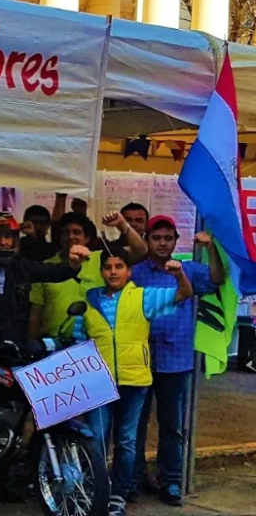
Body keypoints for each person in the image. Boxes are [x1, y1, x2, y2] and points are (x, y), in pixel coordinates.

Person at [75, 244, 193, 516]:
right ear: (101, 271)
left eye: (119, 266)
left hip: (135, 381)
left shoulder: (143, 297)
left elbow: (184, 294)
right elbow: (79, 340)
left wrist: (179, 275)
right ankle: (97, 492)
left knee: (127, 441)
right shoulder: (89, 300)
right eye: (107, 267)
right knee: (97, 439)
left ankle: (119, 494)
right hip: (98, 382)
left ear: (129, 271)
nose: (113, 272)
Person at [131, 217, 224, 506]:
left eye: (168, 238)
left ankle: (170, 480)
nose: (162, 243)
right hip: (140, 359)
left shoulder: (189, 269)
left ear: (175, 241)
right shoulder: (136, 273)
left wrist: (211, 248)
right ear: (146, 240)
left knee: (172, 425)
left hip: (176, 359)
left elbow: (216, 279)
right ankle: (132, 479)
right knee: (135, 424)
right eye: (156, 238)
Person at [0, 212, 91, 346]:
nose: (3, 242)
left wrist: (73, 265)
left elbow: (51, 272)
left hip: (15, 344)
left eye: (7, 237)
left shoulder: (19, 265)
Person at [28, 211, 146, 340]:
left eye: (76, 232)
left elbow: (141, 251)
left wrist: (122, 225)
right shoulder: (46, 267)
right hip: (55, 345)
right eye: (65, 232)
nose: (70, 236)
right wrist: (31, 343)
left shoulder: (102, 260)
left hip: (95, 342)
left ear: (87, 238)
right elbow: (36, 311)